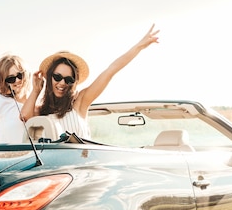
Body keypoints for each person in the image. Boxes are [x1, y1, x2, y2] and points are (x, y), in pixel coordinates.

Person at [21, 24, 159, 139]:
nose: (62, 83)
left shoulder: (80, 102)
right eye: (57, 77)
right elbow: (25, 116)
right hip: (53, 169)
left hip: (81, 168)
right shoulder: (40, 110)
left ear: (74, 82)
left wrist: (139, 46)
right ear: (49, 77)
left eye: (68, 79)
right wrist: (36, 90)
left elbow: (110, 71)